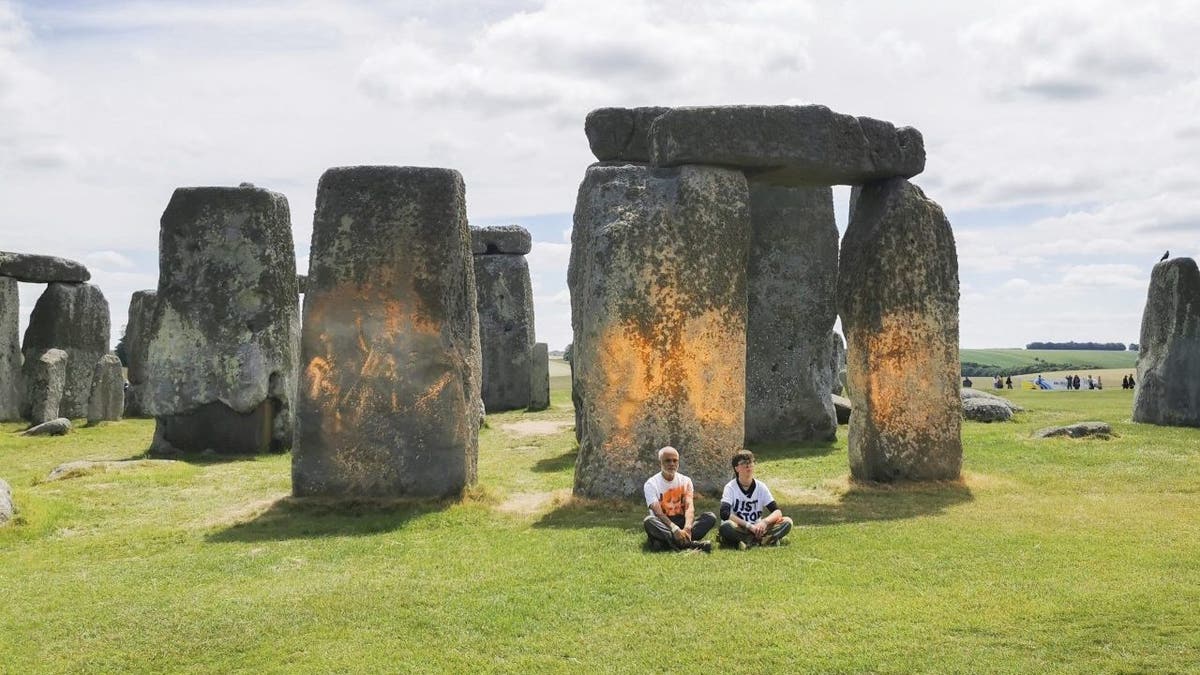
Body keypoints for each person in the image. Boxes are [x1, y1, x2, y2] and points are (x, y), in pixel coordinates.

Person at [643, 446, 715, 552]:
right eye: (668, 460)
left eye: (675, 460)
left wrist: (687, 527)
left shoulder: (686, 481)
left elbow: (689, 507)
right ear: (660, 463)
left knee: (710, 517)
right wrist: (675, 529)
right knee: (649, 521)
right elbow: (657, 512)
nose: (672, 464)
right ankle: (690, 544)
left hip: (682, 521)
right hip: (664, 524)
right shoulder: (651, 484)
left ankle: (666, 543)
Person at [718, 450, 793, 549]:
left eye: (750, 462)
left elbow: (777, 511)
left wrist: (764, 523)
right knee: (726, 526)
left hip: (758, 527)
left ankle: (747, 541)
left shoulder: (761, 486)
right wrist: (749, 526)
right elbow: (724, 513)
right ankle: (764, 540)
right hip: (740, 527)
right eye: (744, 463)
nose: (748, 466)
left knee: (787, 522)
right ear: (736, 468)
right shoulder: (730, 487)